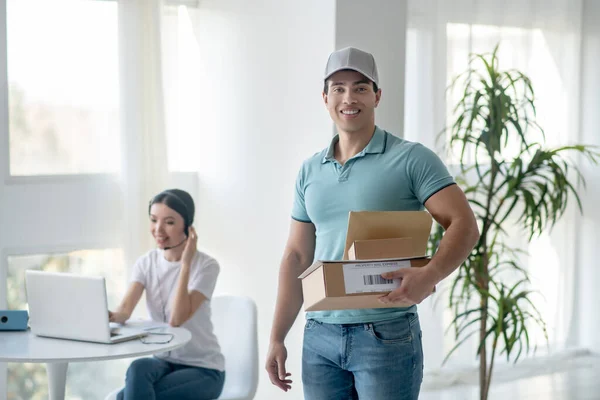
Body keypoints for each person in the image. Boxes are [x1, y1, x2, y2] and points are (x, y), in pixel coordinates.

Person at [265, 47, 480, 399]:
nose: (349, 98)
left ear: (377, 95)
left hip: (386, 334)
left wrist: (430, 274)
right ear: (325, 98)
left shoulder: (412, 159)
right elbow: (296, 257)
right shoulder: (310, 170)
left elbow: (464, 224)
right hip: (319, 334)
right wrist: (276, 337)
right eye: (338, 88)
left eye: (361, 87)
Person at [110, 189, 225, 400]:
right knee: (138, 367)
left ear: (188, 226)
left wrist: (186, 263)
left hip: (204, 370)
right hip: (163, 362)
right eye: (154, 220)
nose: (158, 230)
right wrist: (107, 315)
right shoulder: (146, 263)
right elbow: (124, 311)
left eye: (169, 222)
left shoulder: (206, 266)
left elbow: (177, 318)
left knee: (124, 398)